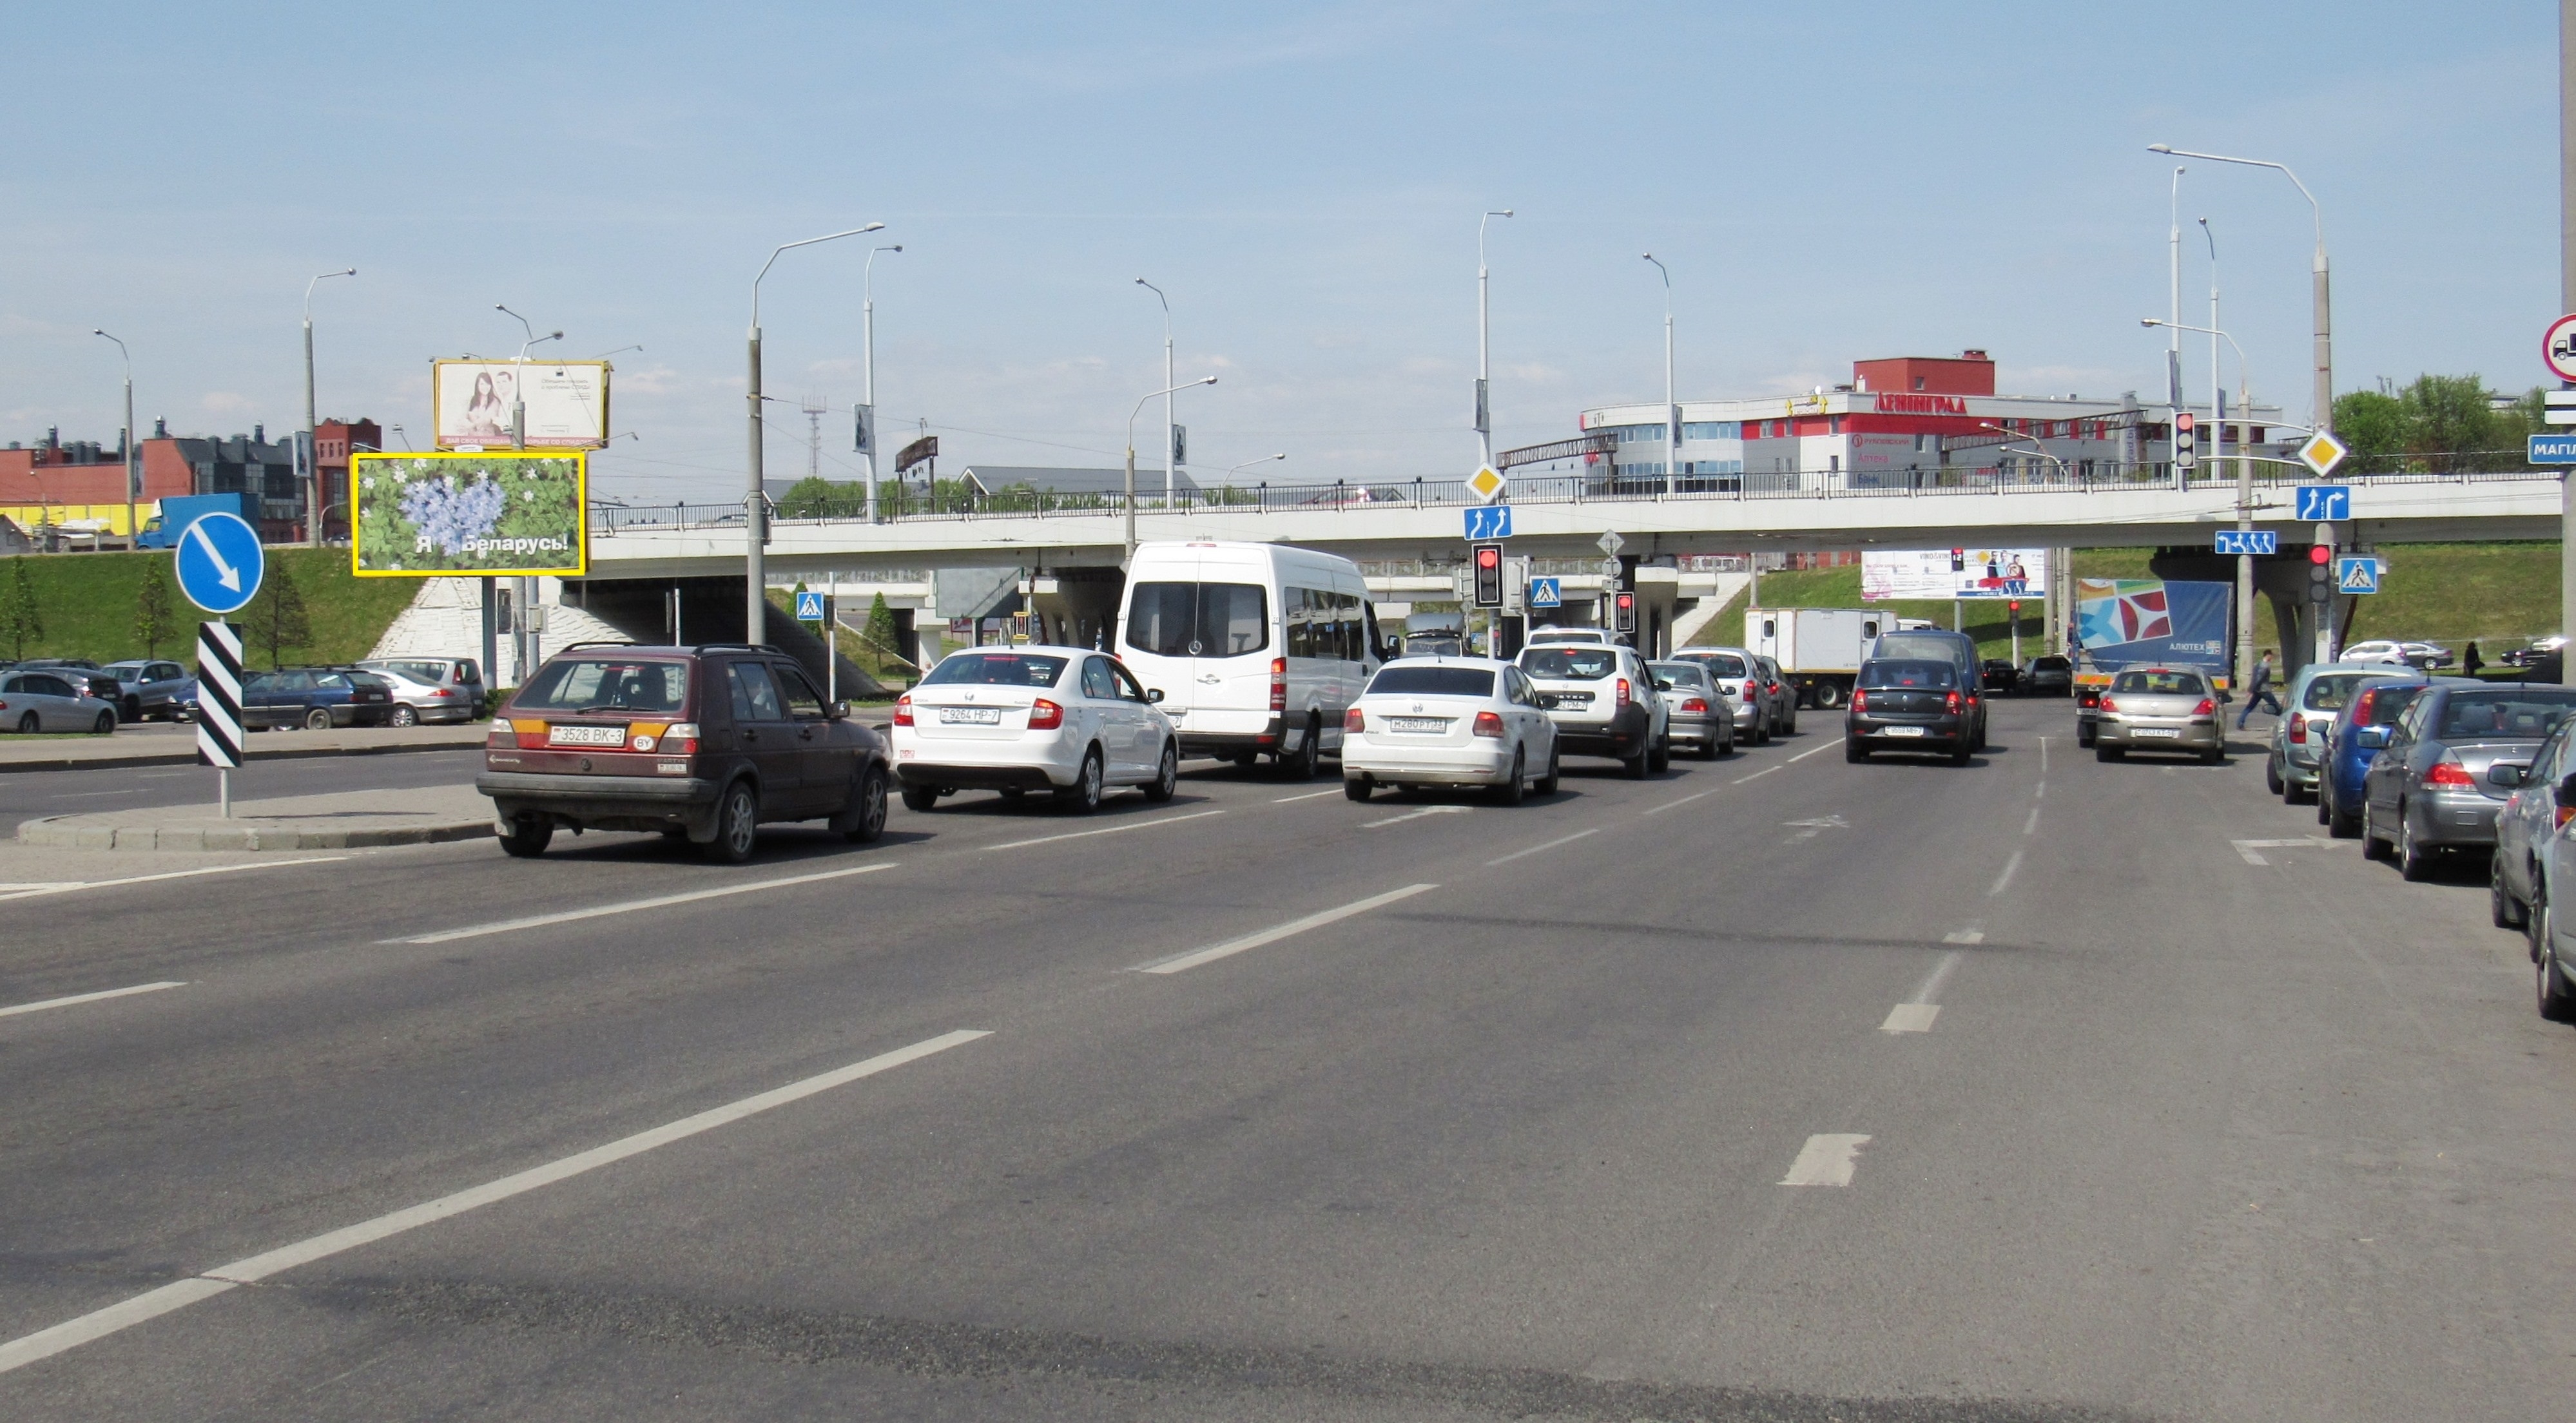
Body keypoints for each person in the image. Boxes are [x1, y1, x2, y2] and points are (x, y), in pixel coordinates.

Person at [2236, 650, 2281, 728]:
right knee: (2276, 706)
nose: (2272, 658)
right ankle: (2283, 723)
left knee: (2250, 707)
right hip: (2264, 690)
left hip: (2257, 690)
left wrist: (2252, 689)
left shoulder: (2258, 664)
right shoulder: (2265, 666)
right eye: (2271, 656)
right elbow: (2258, 679)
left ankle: (2240, 722)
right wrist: (2251, 690)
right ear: (2268, 656)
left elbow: (2254, 678)